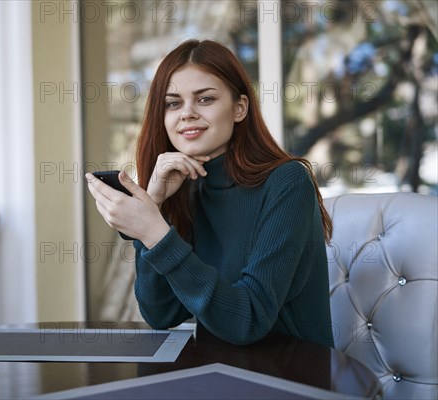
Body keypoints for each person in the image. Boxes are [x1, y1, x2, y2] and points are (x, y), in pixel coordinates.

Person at [85, 39, 334, 348]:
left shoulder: (287, 183)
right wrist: (155, 205)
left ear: (240, 108)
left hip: (291, 377)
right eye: (173, 103)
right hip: (215, 374)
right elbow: (161, 313)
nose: (186, 114)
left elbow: (248, 320)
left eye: (205, 99)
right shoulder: (186, 186)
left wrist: (155, 232)